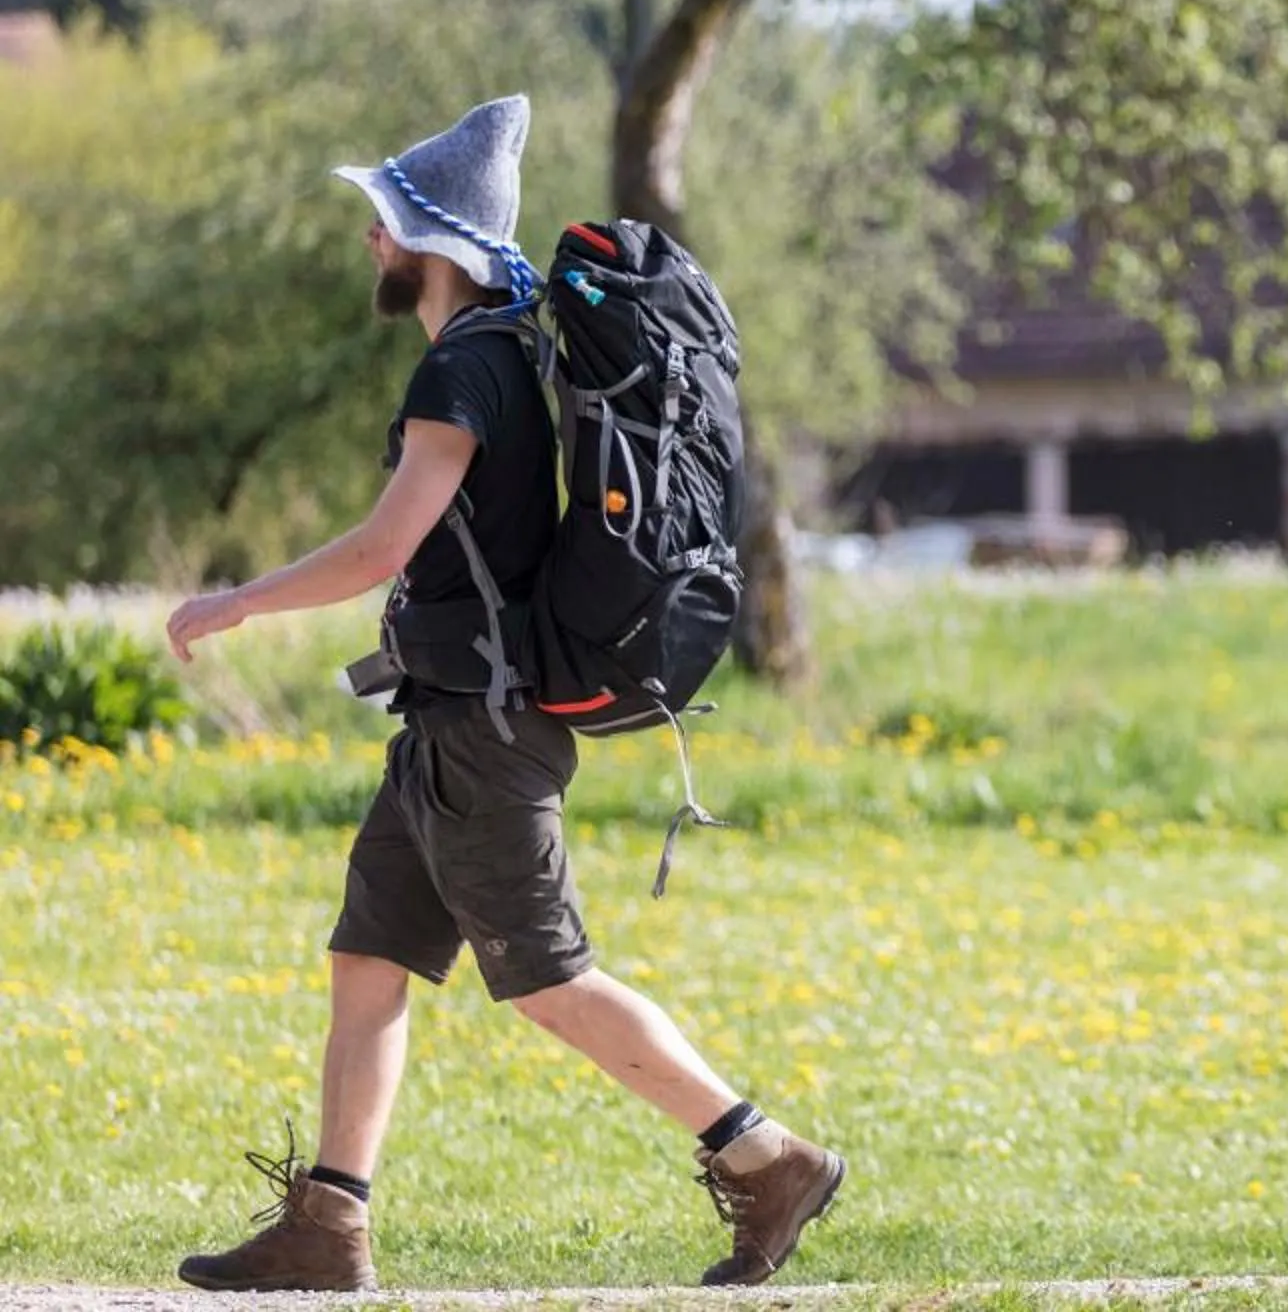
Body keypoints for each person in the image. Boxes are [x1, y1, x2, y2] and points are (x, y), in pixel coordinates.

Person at [163, 96, 845, 1293]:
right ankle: (330, 1224)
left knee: (546, 977)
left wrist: (236, 602)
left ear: (433, 241)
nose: (372, 243)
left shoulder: (464, 370)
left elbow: (384, 546)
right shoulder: (490, 357)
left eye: (383, 222)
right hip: (445, 721)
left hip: (484, 735)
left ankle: (764, 1154)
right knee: (369, 961)